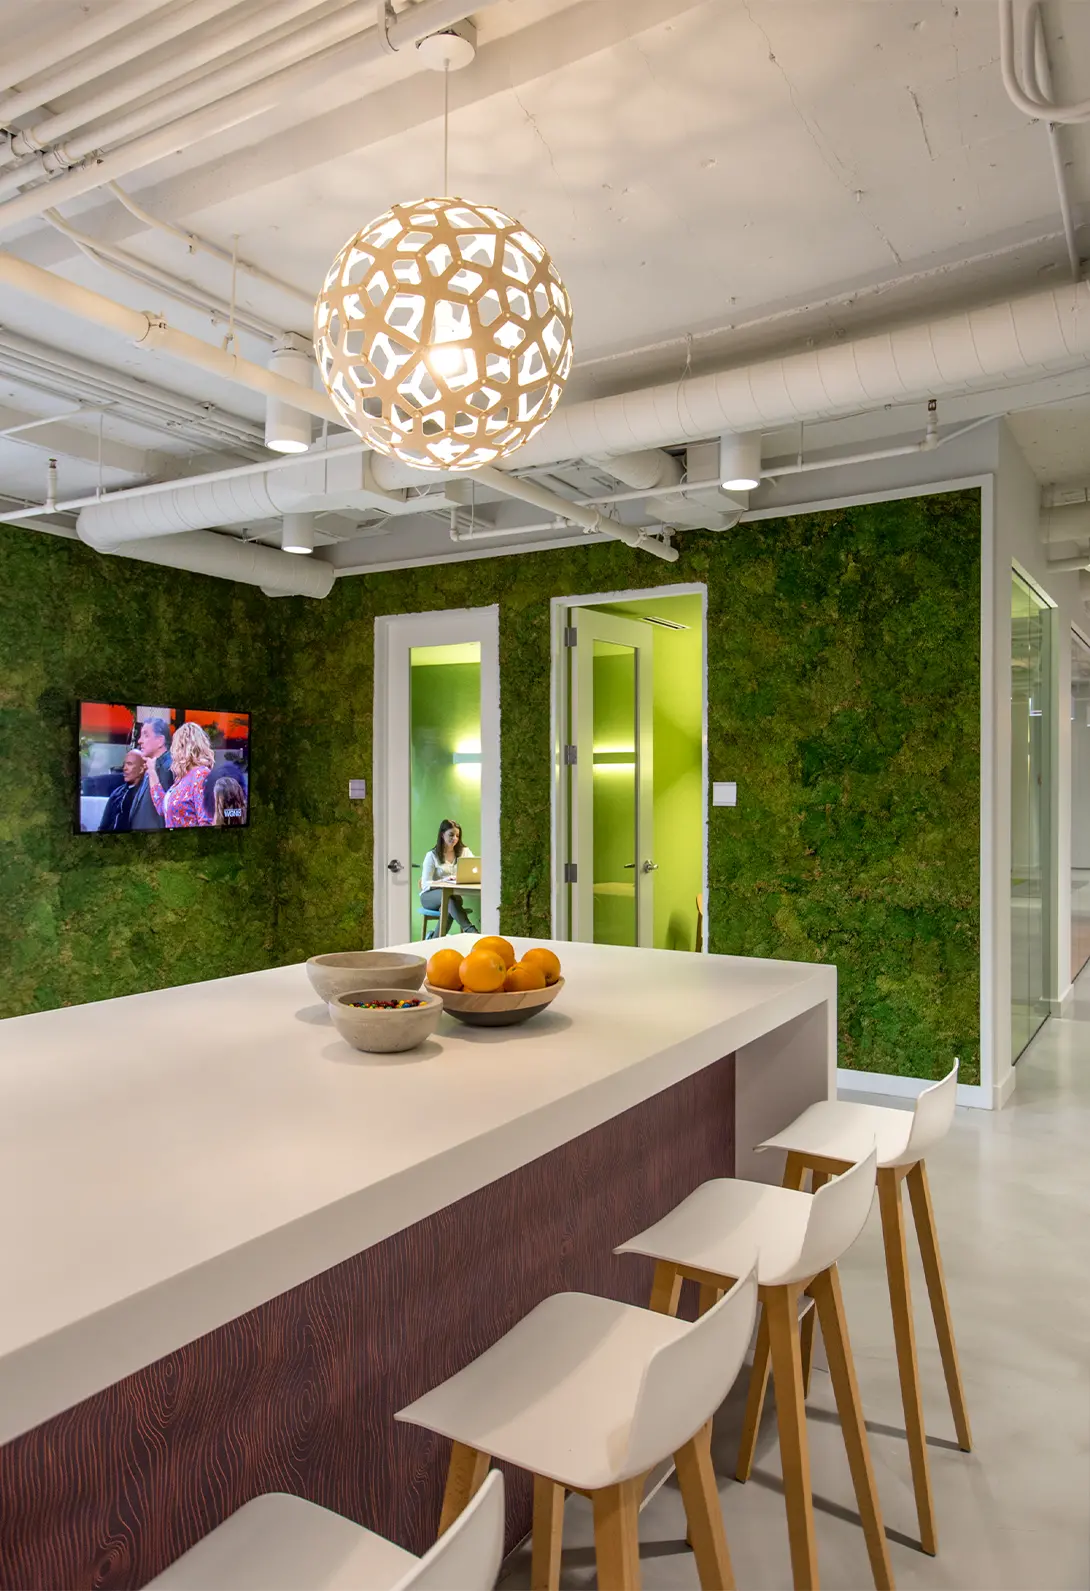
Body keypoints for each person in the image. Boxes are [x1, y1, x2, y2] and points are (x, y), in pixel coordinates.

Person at [144, 721, 215, 829]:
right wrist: (152, 772)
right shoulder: (181, 779)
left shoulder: (201, 775)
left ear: (183, 747)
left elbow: (206, 822)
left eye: (175, 745)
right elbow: (161, 807)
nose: (172, 751)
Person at [419, 818, 478, 934]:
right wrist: (444, 880)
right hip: (429, 896)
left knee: (449, 903)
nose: (455, 839)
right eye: (451, 835)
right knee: (449, 898)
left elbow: (475, 868)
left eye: (457, 835)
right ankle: (471, 930)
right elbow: (425, 884)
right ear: (442, 835)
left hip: (452, 897)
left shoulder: (464, 852)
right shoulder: (431, 855)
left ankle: (433, 940)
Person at [128, 717, 174, 830]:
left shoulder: (169, 769)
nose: (139, 741)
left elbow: (166, 812)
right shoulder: (151, 765)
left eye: (146, 735)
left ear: (160, 741)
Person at [97, 750, 144, 833]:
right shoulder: (117, 793)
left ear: (141, 770)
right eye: (124, 764)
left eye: (129, 764)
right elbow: (103, 826)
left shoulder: (144, 795)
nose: (124, 768)